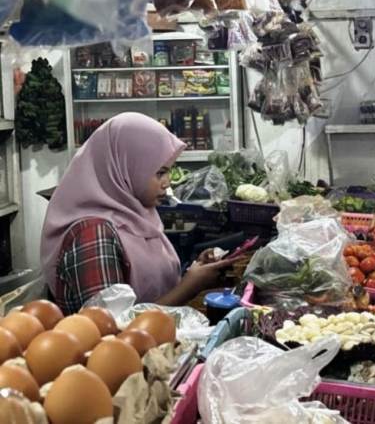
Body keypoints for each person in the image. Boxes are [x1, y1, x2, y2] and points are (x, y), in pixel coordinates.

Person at [41, 112, 233, 314]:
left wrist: (194, 272)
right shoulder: (93, 235)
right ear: (123, 168)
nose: (167, 183)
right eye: (159, 173)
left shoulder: (138, 215)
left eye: (168, 171)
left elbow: (150, 290)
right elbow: (111, 327)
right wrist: (189, 287)